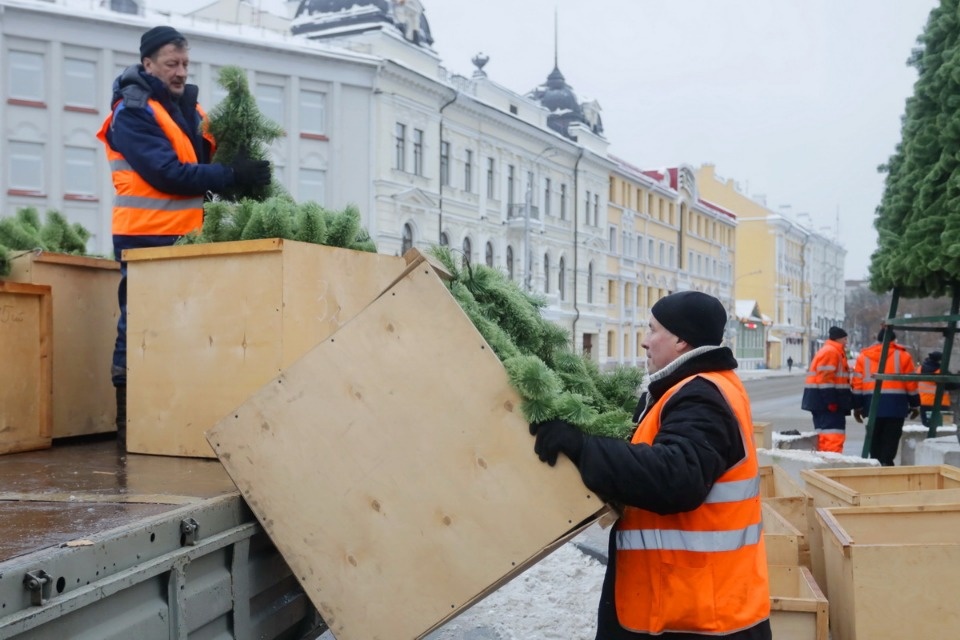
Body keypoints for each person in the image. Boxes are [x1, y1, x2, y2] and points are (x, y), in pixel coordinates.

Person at [530, 291, 771, 640]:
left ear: (680, 339)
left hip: (698, 614)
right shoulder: (683, 390)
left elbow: (676, 477)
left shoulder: (701, 395)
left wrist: (582, 447)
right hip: (683, 599)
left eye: (652, 329)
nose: (644, 342)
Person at [96, 25, 271, 446]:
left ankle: (176, 419)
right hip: (146, 238)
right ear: (148, 64)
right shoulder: (134, 110)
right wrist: (231, 176)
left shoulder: (186, 110)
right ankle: (129, 424)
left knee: (188, 327)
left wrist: (240, 161)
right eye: (172, 63)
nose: (180, 72)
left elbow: (209, 152)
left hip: (186, 239)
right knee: (140, 328)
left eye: (185, 64)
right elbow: (168, 173)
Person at [851, 328, 920, 466]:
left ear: (878, 340)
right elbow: (911, 383)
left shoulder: (863, 357)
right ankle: (887, 463)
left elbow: (857, 384)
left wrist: (857, 407)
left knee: (874, 436)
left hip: (871, 405)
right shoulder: (903, 356)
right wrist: (914, 404)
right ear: (894, 341)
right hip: (896, 405)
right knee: (891, 438)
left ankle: (875, 464)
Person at [801, 326, 854, 453]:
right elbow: (825, 379)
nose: (846, 342)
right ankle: (831, 465)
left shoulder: (832, 351)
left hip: (821, 402)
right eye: (845, 339)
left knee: (824, 437)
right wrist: (831, 401)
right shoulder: (831, 352)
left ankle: (825, 462)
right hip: (827, 403)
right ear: (839, 339)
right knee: (833, 437)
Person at [917, 351, 958, 428]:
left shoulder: (920, 369)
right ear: (939, 360)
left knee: (927, 426)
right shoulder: (940, 371)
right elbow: (951, 385)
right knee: (944, 427)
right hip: (941, 403)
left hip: (924, 402)